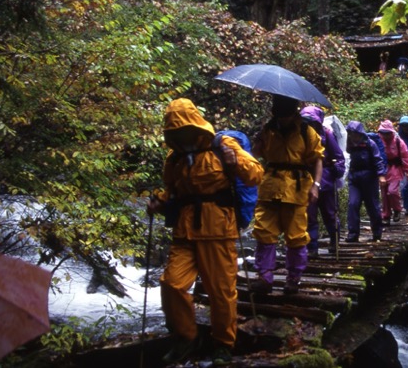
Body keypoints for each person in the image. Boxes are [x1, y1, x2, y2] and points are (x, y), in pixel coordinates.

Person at [147, 98, 264, 365]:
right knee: (171, 283)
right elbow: (173, 191)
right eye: (175, 131)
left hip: (218, 230)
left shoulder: (223, 146)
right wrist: (160, 202)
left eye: (184, 128)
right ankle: (187, 337)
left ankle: (224, 343)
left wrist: (235, 164)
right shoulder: (174, 158)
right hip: (184, 230)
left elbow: (256, 174)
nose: (181, 135)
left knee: (220, 291)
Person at [250, 95, 324, 295]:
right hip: (270, 185)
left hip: (297, 188)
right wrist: (254, 147)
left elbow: (317, 159)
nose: (283, 119)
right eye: (279, 115)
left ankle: (293, 279)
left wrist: (316, 185)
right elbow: (254, 156)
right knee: (264, 231)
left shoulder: (306, 131)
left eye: (286, 115)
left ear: (294, 113)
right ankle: (264, 277)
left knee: (296, 235)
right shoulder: (267, 130)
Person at [300, 106, 346, 258]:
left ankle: (335, 240)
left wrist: (336, 170)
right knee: (309, 215)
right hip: (306, 180)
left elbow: (339, 157)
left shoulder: (326, 134)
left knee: (329, 213)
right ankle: (312, 247)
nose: (309, 124)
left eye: (311, 121)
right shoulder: (299, 135)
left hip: (326, 180)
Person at [344, 121, 386, 242]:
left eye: (354, 133)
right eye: (350, 133)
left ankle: (377, 232)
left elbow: (378, 160)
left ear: (359, 132)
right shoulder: (349, 144)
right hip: (354, 178)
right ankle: (353, 234)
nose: (352, 136)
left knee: (372, 206)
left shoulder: (370, 144)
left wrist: (381, 176)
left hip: (369, 178)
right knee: (353, 204)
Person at [377, 119, 408, 224]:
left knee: (392, 191)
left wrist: (407, 170)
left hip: (395, 169)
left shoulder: (398, 141)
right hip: (383, 169)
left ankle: (397, 209)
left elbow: (405, 156)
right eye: (383, 133)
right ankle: (386, 215)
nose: (385, 136)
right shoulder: (379, 141)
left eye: (387, 133)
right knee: (384, 193)